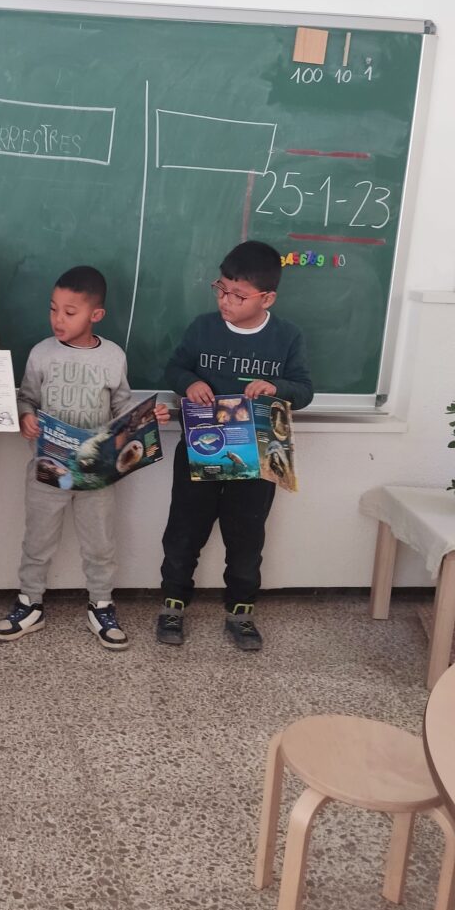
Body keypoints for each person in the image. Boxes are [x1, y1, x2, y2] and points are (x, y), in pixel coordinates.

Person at [0, 266, 170, 650]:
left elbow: (122, 409)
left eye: (70, 312)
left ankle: (101, 604)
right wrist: (25, 417)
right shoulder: (41, 353)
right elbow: (27, 397)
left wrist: (146, 418)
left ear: (96, 315)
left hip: (97, 474)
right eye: (53, 309)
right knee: (37, 540)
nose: (58, 319)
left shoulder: (113, 357)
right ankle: (30, 602)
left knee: (100, 542)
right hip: (47, 468)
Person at [157, 240, 313, 651]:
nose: (225, 300)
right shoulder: (203, 328)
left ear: (267, 298)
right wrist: (190, 382)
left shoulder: (286, 337)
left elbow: (304, 390)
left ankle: (241, 610)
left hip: (257, 454)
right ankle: (173, 603)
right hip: (200, 446)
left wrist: (276, 387)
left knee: (246, 536)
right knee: (184, 530)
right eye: (221, 289)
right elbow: (175, 367)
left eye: (238, 295)